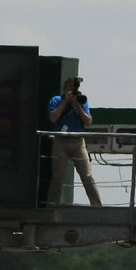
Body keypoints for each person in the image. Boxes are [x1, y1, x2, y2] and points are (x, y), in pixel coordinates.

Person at [47, 76, 102, 206]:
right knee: (58, 177)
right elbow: (53, 118)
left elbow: (88, 121)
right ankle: (52, 205)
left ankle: (97, 206)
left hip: (78, 142)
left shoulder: (81, 101)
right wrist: (65, 102)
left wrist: (78, 106)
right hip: (61, 141)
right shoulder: (56, 100)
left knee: (87, 176)